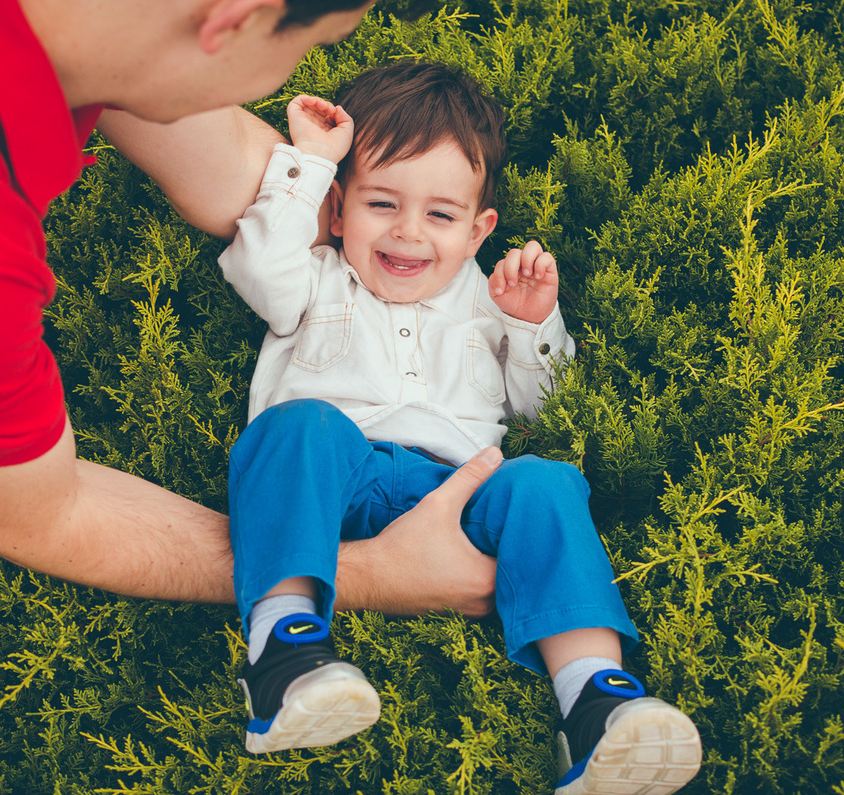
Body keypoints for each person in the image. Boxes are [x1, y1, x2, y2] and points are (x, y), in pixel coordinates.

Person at [0, 0, 503, 674]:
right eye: (312, 47)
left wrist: (376, 217)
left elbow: (227, 162)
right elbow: (46, 513)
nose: (285, 81)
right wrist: (364, 569)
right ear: (233, 20)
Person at [217, 61, 703, 794]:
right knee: (297, 427)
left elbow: (543, 410)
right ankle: (283, 653)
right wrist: (310, 164)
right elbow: (257, 265)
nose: (410, 233)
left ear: (479, 230)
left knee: (544, 482)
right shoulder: (316, 275)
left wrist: (533, 325)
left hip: (456, 489)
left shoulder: (488, 302)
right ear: (340, 210)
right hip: (334, 474)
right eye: (383, 204)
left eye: (441, 216)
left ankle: (596, 700)